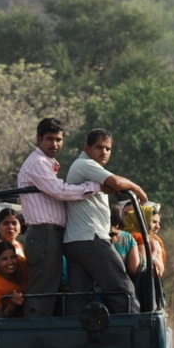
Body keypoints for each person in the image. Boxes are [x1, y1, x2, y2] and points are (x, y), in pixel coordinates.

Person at [15, 117, 103, 317]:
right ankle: (35, 338)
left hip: (51, 234)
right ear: (39, 139)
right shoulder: (37, 163)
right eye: (49, 139)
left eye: (58, 139)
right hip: (43, 233)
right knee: (42, 290)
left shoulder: (46, 163)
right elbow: (60, 191)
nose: (54, 144)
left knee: (52, 287)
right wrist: (95, 186)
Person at [64, 128, 148, 315]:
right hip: (91, 239)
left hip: (75, 241)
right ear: (87, 148)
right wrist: (137, 188)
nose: (104, 152)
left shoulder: (90, 169)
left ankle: (75, 341)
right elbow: (117, 183)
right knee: (122, 289)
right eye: (99, 147)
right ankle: (135, 334)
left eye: (108, 149)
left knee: (79, 296)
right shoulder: (84, 164)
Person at [0, 241, 27, 317]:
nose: (10, 262)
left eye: (13, 257)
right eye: (4, 259)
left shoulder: (21, 263)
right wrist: (12, 305)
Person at [109, 204, 145, 278]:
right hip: (120, 284)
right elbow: (133, 269)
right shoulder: (127, 238)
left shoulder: (93, 235)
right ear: (122, 219)